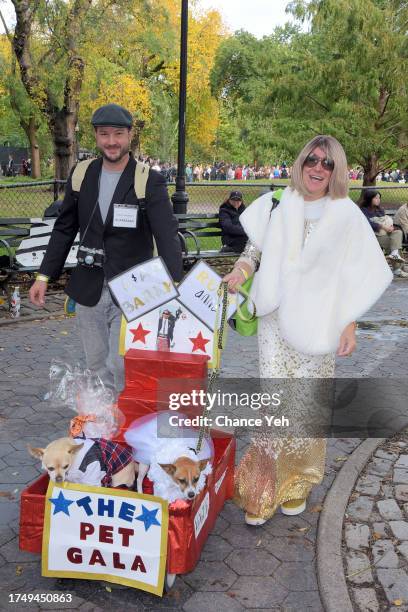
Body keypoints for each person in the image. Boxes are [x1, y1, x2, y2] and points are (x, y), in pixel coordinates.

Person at [223, 135, 392, 525]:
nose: (318, 168)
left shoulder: (347, 216)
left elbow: (358, 274)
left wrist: (349, 322)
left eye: (327, 163)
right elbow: (252, 252)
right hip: (274, 321)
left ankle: (297, 484)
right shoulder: (278, 203)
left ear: (337, 171)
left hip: (320, 324)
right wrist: (240, 271)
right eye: (312, 160)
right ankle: (262, 489)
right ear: (301, 163)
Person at [29, 103, 183, 395]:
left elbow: (166, 235)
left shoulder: (148, 179)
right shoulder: (81, 174)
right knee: (96, 363)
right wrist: (43, 276)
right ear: (96, 137)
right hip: (89, 287)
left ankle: (126, 424)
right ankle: (106, 425)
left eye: (118, 134)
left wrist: (174, 283)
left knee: (121, 362)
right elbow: (64, 228)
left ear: (129, 135)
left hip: (134, 289)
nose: (111, 141)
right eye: (104, 134)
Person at [360, 189, 407, 277]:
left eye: (379, 198)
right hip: (373, 235)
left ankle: (394, 255)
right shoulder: (363, 210)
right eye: (376, 198)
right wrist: (383, 226)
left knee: (398, 233)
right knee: (393, 245)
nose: (378, 200)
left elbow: (385, 220)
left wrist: (391, 226)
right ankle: (397, 269)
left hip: (386, 233)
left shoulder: (380, 209)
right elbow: (368, 223)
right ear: (369, 198)